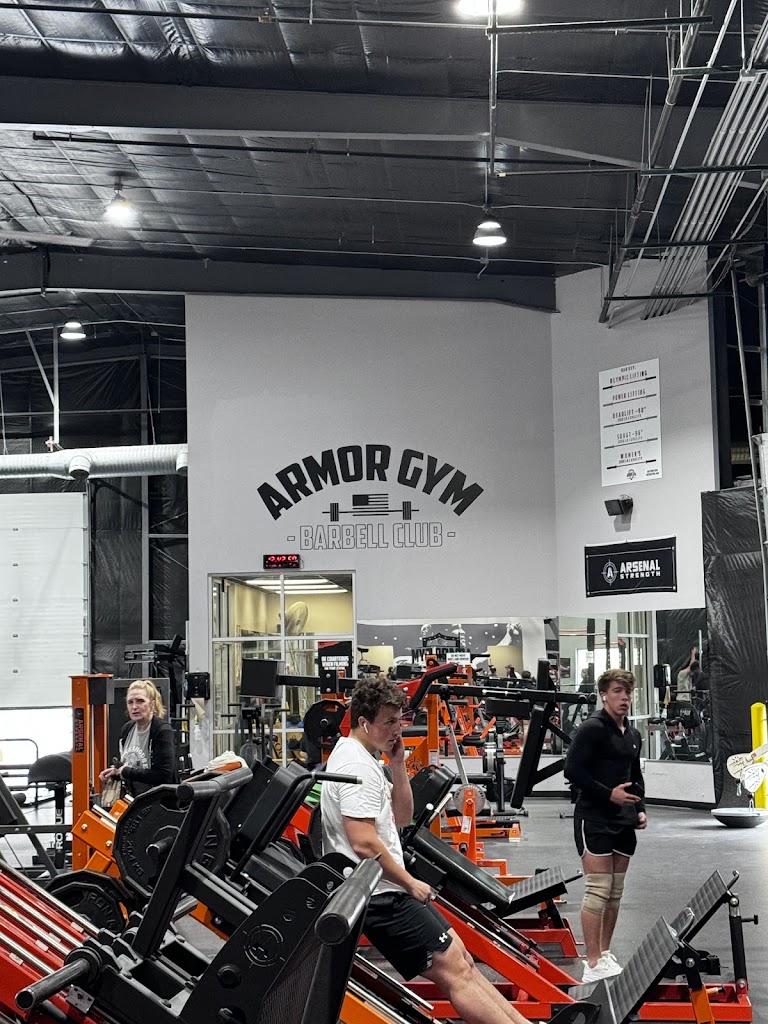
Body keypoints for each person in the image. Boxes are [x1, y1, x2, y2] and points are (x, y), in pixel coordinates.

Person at [321, 677, 532, 1024]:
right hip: (380, 896)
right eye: (389, 722)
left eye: (399, 720)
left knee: (462, 960)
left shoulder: (365, 758)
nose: (397, 729)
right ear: (363, 722)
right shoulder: (356, 766)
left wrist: (397, 764)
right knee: (455, 973)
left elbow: (402, 818)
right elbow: (362, 842)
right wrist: (409, 882)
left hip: (388, 888)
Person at [563, 668, 646, 984]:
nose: (624, 698)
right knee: (598, 890)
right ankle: (592, 961)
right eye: (616, 691)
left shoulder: (633, 735)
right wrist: (608, 794)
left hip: (623, 821)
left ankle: (605, 953)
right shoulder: (592, 729)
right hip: (594, 818)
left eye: (627, 692)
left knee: (615, 892)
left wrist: (640, 809)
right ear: (604, 695)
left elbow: (635, 777)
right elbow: (573, 770)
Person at [99, 680, 177, 798]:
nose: (134, 706)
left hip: (159, 801)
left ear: (152, 704)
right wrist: (116, 772)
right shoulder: (127, 729)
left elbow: (164, 775)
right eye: (130, 702)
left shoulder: (162, 730)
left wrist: (126, 772)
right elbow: (128, 767)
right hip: (133, 799)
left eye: (140, 701)